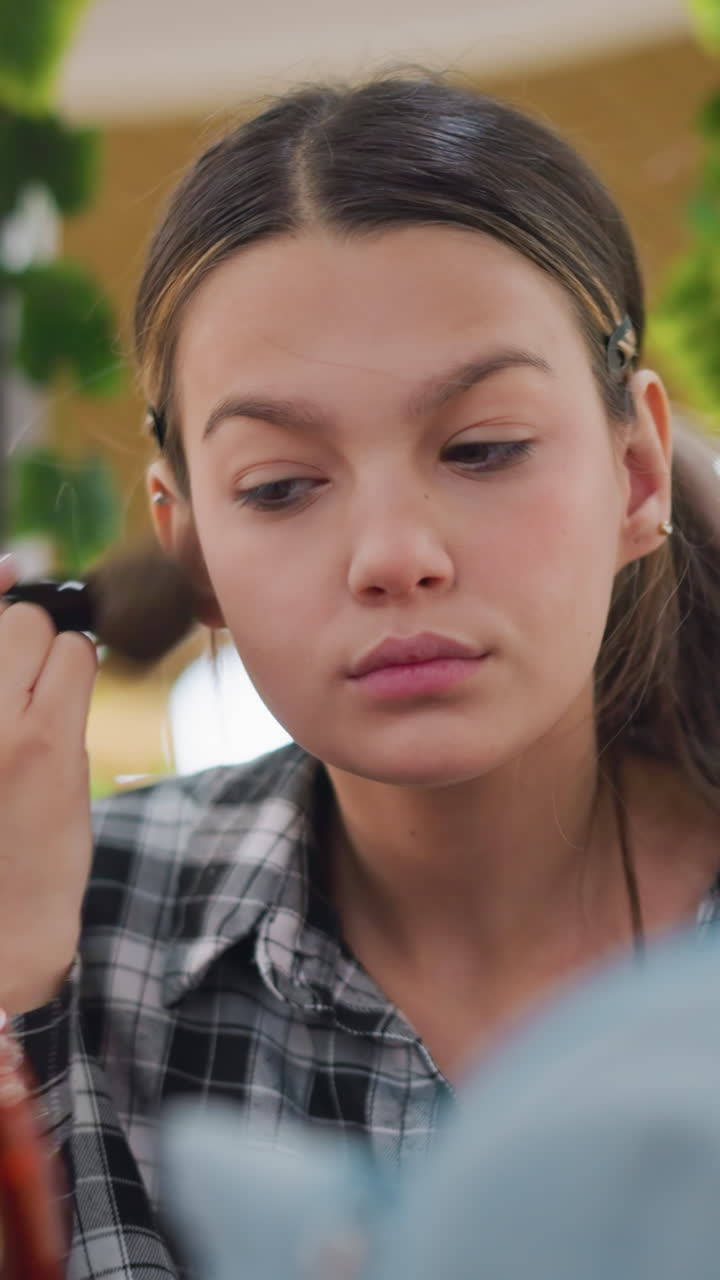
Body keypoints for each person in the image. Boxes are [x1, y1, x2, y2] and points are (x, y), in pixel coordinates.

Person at [0, 72, 719, 1279]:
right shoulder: (70, 938)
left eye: (483, 447)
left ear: (637, 473)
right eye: (279, 486)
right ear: (195, 553)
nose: (396, 556)